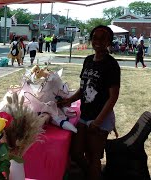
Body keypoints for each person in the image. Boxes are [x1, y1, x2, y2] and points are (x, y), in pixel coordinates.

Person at [59, 25, 121, 180]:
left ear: (109, 42)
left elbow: (113, 97)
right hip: (84, 115)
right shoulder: (88, 60)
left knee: (94, 157)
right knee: (76, 152)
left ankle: (94, 175)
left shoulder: (111, 65)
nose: (98, 41)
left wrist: (99, 121)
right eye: (95, 37)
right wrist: (68, 100)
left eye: (103, 38)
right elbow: (83, 88)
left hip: (101, 118)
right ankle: (93, 175)